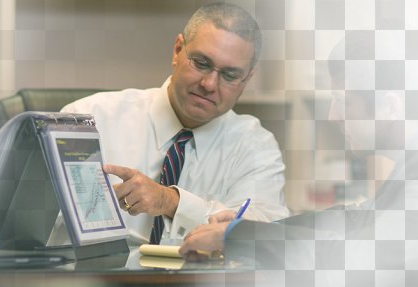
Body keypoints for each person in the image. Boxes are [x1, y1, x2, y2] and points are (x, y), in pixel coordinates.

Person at [179, 37, 418, 286]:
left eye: (343, 102)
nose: (332, 116)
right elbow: (353, 219)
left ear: (389, 107)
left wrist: (237, 236)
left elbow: (347, 262)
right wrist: (255, 227)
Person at [58, 2, 289, 245]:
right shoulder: (89, 120)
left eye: (230, 75)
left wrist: (172, 202)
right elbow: (47, 230)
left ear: (247, 78)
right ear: (177, 50)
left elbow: (264, 237)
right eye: (201, 63)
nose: (209, 84)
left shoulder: (255, 146)